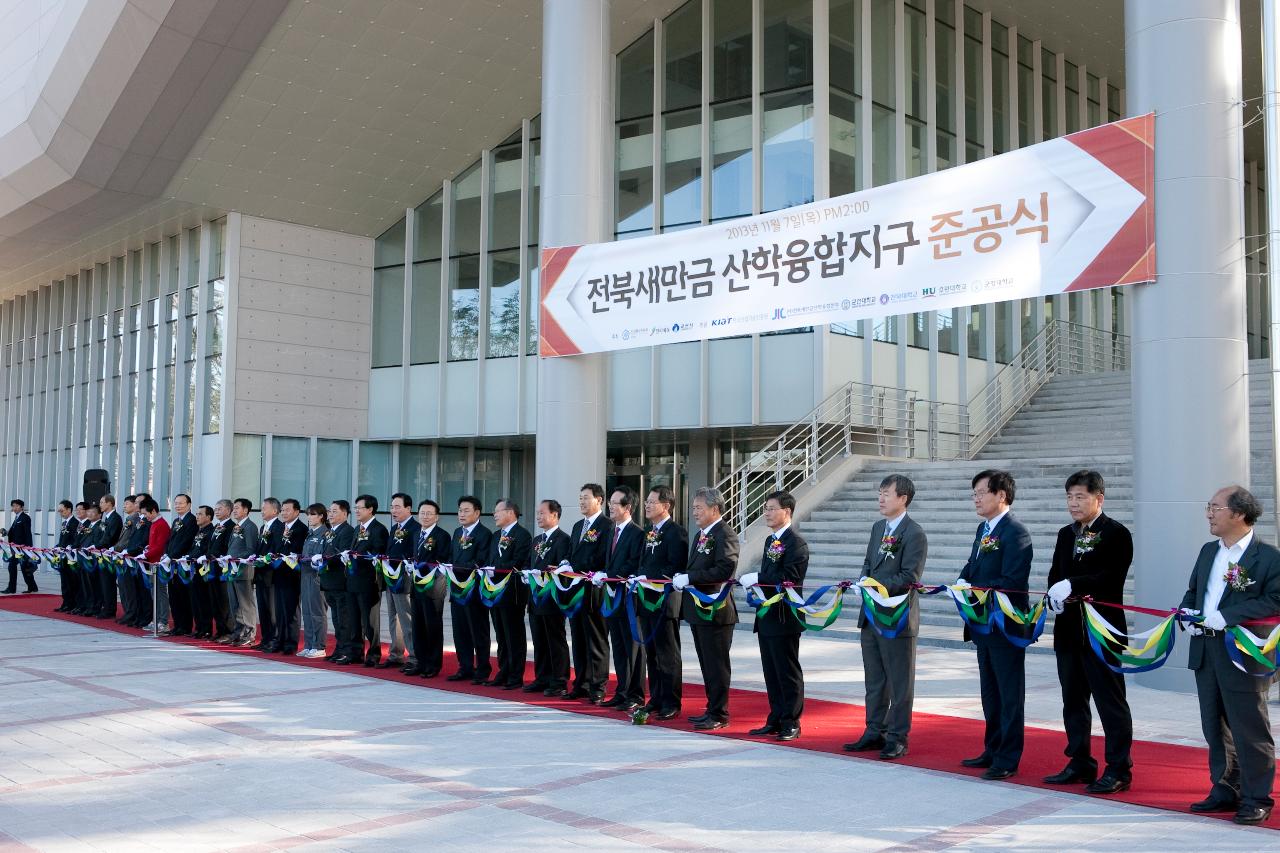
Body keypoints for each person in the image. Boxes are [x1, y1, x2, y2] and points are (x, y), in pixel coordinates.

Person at [1179, 485, 1280, 826]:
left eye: (1215, 507)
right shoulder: (1209, 551)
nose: (1209, 513)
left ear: (1238, 514)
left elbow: (1275, 600)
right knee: (1214, 725)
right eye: (1209, 506)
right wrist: (1186, 613)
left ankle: (1257, 797)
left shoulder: (1267, 557)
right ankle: (1225, 787)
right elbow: (1194, 591)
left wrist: (1230, 616)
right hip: (1206, 650)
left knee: (1249, 726)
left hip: (1241, 653)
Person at [1043, 470, 1134, 794]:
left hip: (1102, 631)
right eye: (1069, 497)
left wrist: (1074, 584)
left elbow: (1111, 578)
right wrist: (1052, 596)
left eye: (1080, 496)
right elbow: (1055, 574)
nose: (1073, 503)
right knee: (1073, 700)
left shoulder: (1116, 533)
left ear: (1099, 498)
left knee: (1110, 701)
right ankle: (1080, 760)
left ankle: (1119, 768)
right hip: (1068, 631)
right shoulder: (1066, 534)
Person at [956, 469, 1034, 780]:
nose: (976, 498)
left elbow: (1013, 580)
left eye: (981, 492)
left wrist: (977, 590)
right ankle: (992, 748)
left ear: (1001, 495)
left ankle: (1008, 757)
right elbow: (974, 563)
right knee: (990, 692)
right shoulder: (983, 528)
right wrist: (963, 579)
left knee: (1009, 693)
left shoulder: (1016, 532)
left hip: (1005, 625)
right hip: (983, 624)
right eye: (974, 493)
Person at [846, 474, 928, 760]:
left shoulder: (914, 533)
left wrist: (875, 586)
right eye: (879, 493)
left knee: (900, 681)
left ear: (903, 498)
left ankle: (897, 736)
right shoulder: (878, 527)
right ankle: (874, 730)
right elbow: (869, 563)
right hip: (871, 615)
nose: (881, 498)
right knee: (875, 679)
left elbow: (909, 577)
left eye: (886, 493)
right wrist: (862, 581)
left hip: (897, 618)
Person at [740, 490, 809, 742]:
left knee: (787, 670)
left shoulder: (796, 543)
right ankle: (776, 716)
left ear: (787, 512)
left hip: (785, 616)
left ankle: (791, 720)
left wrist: (758, 578)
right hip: (767, 614)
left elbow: (789, 579)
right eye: (765, 508)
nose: (766, 513)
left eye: (771, 508)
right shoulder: (771, 541)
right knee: (770, 669)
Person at [673, 486, 740, 731]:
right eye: (693, 508)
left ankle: (719, 713)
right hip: (698, 610)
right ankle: (712, 709)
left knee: (717, 665)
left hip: (716, 610)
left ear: (715, 508)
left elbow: (724, 570)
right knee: (706, 663)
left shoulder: (725, 534)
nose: (694, 512)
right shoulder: (702, 534)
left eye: (698, 508)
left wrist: (690, 577)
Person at [635, 485, 687, 720]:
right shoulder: (649, 531)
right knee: (652, 653)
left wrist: (652, 579)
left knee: (668, 654)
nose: (647, 505)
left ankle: (671, 701)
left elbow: (676, 565)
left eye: (651, 502)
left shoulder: (676, 532)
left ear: (666, 506)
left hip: (665, 601)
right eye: (646, 501)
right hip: (646, 599)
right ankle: (655, 698)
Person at [563, 483, 612, 703]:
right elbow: (572, 553)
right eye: (580, 498)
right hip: (576, 591)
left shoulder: (607, 526)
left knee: (596, 639)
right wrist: (566, 564)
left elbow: (603, 557)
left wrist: (581, 568)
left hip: (595, 590)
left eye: (586, 498)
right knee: (579, 638)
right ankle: (581, 683)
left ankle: (598, 686)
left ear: (599, 500)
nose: (582, 502)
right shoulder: (576, 526)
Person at [602, 485, 645, 712]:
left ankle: (635, 694)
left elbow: (633, 563)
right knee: (617, 645)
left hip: (629, 599)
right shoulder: (612, 530)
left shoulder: (637, 533)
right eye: (609, 503)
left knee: (633, 648)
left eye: (614, 503)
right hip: (612, 596)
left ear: (627, 507)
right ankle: (622, 690)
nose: (610, 506)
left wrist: (609, 576)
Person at [525, 499, 572, 696]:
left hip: (552, 598)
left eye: (542, 513)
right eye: (537, 513)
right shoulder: (537, 540)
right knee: (539, 639)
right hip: (535, 597)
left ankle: (559, 680)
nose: (538, 516)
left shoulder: (563, 539)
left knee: (555, 639)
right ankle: (542, 677)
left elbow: (561, 568)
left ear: (554, 515)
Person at [486, 499, 533, 689]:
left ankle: (515, 675)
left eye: (498, 511)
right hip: (495, 591)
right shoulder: (496, 535)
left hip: (512, 593)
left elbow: (518, 562)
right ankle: (503, 671)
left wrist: (495, 569)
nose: (495, 515)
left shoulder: (522, 535)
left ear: (511, 512)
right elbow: (491, 558)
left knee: (513, 635)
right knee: (500, 636)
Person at [447, 496, 493, 683]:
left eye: (466, 510)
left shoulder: (484, 534)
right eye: (460, 510)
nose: (462, 514)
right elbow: (452, 555)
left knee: (478, 631)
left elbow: (480, 561)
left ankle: (482, 669)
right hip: (457, 588)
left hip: (474, 591)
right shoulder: (458, 532)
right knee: (460, 631)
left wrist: (457, 567)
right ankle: (464, 667)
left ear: (477, 512)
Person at [411, 499, 451, 677]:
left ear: (437, 516)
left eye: (429, 513)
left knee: (432, 626)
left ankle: (433, 665)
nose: (425, 516)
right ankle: (421, 662)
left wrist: (423, 567)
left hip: (434, 587)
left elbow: (442, 560)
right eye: (422, 513)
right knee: (418, 625)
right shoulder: (415, 534)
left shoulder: (442, 535)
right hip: (416, 586)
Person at [350, 495, 389, 667]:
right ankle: (356, 652)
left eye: (360, 507)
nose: (356, 511)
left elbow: (378, 554)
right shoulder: (357, 529)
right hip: (353, 580)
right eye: (356, 507)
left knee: (370, 621)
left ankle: (373, 655)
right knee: (355, 619)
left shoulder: (379, 529)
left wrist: (360, 556)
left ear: (370, 509)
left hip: (369, 581)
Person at [383, 493, 419, 671]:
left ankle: (413, 657)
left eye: (397, 507)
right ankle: (396, 654)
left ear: (408, 508)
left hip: (404, 579)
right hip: (391, 577)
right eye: (392, 507)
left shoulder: (415, 528)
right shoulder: (394, 528)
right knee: (393, 617)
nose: (393, 510)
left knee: (406, 619)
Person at [321, 500, 358, 664]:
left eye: (335, 511)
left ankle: (346, 650)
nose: (330, 514)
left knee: (344, 619)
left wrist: (324, 559)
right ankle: (339, 649)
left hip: (340, 581)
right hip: (329, 581)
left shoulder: (347, 531)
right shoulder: (330, 531)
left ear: (345, 514)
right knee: (336, 619)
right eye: (330, 511)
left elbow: (341, 554)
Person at [225, 498, 260, 647]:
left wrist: (236, 558)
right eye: (234, 508)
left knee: (245, 604)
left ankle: (249, 633)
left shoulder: (250, 527)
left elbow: (251, 549)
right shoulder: (237, 526)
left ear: (246, 510)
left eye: (237, 508)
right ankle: (238, 632)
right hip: (232, 569)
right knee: (235, 604)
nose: (234, 510)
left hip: (243, 570)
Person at [162, 494, 198, 636]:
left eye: (181, 503)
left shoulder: (192, 521)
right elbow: (170, 540)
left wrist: (172, 556)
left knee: (183, 596)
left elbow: (186, 542)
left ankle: (185, 626)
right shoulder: (177, 520)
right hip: (171, 563)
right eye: (176, 503)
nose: (177, 506)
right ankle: (177, 625)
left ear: (189, 505)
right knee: (174, 596)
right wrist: (166, 553)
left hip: (182, 563)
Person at [297, 502, 330, 658]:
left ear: (321, 516)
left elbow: (323, 557)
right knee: (307, 612)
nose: (309, 517)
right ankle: (309, 644)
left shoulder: (325, 533)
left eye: (313, 514)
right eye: (308, 514)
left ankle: (319, 646)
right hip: (305, 575)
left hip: (316, 577)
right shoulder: (310, 534)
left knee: (317, 612)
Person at [253, 498, 283, 652]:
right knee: (263, 608)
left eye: (265, 508)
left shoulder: (279, 527)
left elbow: (276, 549)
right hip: (260, 573)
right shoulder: (263, 527)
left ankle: (273, 639)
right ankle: (265, 638)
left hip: (271, 574)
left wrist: (264, 559)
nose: (262, 511)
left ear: (275, 511)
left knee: (271, 610)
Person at [139, 498, 171, 632]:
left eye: (146, 514)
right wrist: (147, 548)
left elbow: (160, 546)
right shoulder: (154, 523)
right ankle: (156, 619)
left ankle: (163, 621)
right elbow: (154, 544)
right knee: (154, 593)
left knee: (160, 593)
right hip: (152, 562)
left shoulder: (162, 524)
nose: (145, 517)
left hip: (159, 564)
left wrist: (145, 555)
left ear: (153, 511)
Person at [187, 505, 219, 639]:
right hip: (194, 568)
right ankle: (199, 627)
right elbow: (194, 547)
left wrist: (198, 557)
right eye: (197, 513)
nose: (197, 516)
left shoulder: (211, 531)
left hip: (204, 570)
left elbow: (207, 549)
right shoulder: (199, 531)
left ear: (208, 517)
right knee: (195, 600)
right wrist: (188, 556)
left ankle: (206, 629)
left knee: (204, 600)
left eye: (200, 514)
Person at [122, 496, 153, 628]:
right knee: (137, 590)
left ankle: (146, 617)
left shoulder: (148, 521)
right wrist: (127, 550)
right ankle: (139, 616)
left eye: (138, 502)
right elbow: (133, 538)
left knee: (145, 591)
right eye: (135, 502)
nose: (136, 504)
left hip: (142, 558)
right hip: (133, 558)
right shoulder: (139, 519)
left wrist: (132, 551)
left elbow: (144, 541)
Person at [95, 495, 124, 618]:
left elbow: (111, 537)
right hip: (102, 553)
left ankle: (110, 609)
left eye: (102, 502)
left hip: (109, 553)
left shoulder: (115, 518)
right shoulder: (105, 518)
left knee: (108, 583)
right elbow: (101, 534)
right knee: (103, 582)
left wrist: (99, 546)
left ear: (109, 503)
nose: (100, 504)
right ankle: (105, 607)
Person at [73, 504, 103, 617]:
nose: (89, 514)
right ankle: (88, 605)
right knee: (86, 584)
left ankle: (96, 607)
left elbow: (99, 541)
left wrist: (91, 547)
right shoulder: (89, 525)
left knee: (94, 584)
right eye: (89, 512)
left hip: (92, 559)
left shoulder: (101, 525)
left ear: (99, 514)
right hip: (84, 557)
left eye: (92, 512)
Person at [2, 498, 35, 594]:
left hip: (22, 548)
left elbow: (28, 533)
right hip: (15, 548)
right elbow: (15, 532)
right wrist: (5, 532)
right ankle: (32, 587)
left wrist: (28, 548)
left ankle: (12, 588)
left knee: (14, 567)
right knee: (24, 568)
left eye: (16, 506)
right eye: (13, 506)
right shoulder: (17, 518)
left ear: (22, 507)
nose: (14, 508)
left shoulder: (25, 518)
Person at [54, 500, 79, 611]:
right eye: (59, 511)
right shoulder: (65, 523)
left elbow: (75, 540)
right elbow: (62, 539)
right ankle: (65, 602)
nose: (60, 513)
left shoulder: (75, 523)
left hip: (70, 557)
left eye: (62, 511)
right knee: (64, 581)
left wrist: (67, 547)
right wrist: (57, 546)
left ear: (69, 509)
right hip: (63, 555)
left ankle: (71, 604)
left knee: (71, 582)